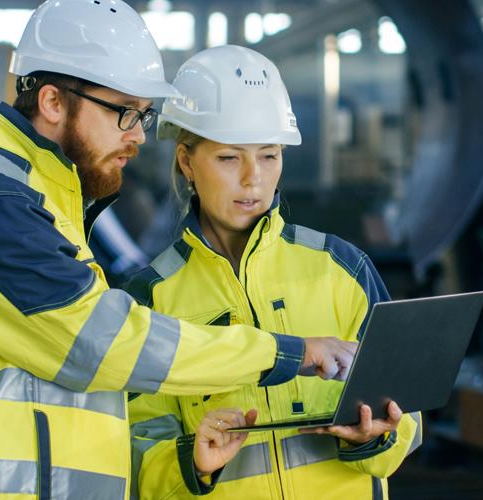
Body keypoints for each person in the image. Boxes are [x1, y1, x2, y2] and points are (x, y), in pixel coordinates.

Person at [0, 2, 357, 499]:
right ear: (52, 102)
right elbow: (104, 344)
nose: (138, 135)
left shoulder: (49, 205)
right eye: (125, 113)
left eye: (143, 115)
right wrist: (287, 352)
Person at [126, 45, 423, 499]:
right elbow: (137, 456)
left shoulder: (341, 268)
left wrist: (379, 435)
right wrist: (192, 462)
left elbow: (409, 418)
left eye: (269, 156)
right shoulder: (152, 298)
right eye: (229, 158)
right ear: (187, 161)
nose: (253, 179)